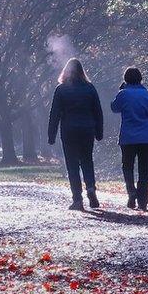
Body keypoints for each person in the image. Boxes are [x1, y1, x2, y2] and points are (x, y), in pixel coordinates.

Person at [48, 58, 104, 210]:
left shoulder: (61, 89)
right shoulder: (90, 88)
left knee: (72, 165)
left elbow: (55, 114)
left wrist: (51, 135)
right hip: (87, 130)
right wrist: (99, 132)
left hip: (69, 131)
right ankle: (91, 188)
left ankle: (77, 199)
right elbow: (97, 111)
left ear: (66, 71)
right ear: (81, 71)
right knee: (87, 160)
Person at [110, 67, 148, 211]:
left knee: (128, 166)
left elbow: (114, 108)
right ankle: (143, 201)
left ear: (125, 79)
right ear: (140, 79)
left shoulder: (123, 94)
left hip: (128, 137)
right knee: (144, 169)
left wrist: (120, 91)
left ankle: (131, 192)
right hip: (146, 137)